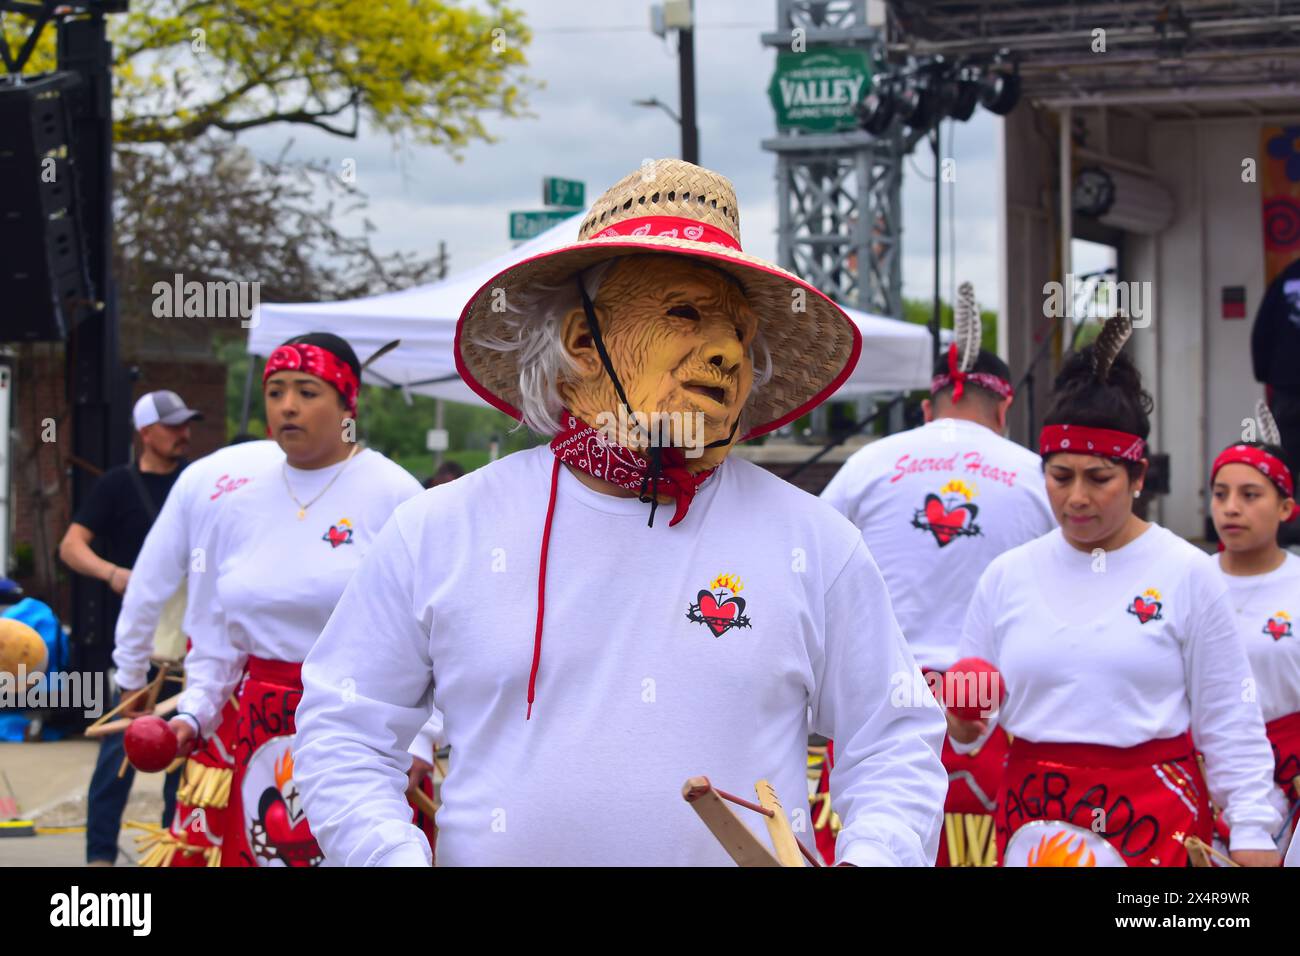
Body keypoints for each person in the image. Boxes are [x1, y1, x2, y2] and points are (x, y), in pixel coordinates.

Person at [292, 158, 948, 867]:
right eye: (685, 313)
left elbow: (895, 742)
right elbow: (345, 731)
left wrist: (873, 859)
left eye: (740, 331)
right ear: (583, 341)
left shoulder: (816, 543)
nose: (729, 353)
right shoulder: (439, 530)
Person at [950, 316, 1282, 867]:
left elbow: (1229, 715)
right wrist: (963, 720)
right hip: (1035, 823)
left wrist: (1251, 831)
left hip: (1156, 821)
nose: (1077, 497)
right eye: (1060, 476)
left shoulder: (1186, 572)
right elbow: (971, 728)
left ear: (1138, 476)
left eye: (1099, 478)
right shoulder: (1006, 576)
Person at [168, 333, 423, 867]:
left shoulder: (396, 495)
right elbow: (214, 635)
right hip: (253, 728)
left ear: (348, 404)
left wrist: (424, 741)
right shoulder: (236, 501)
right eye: (275, 391)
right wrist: (192, 713)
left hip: (360, 732)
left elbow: (438, 635)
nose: (287, 405)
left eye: (307, 392)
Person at [820, 282, 1053, 865]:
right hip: (996, 714)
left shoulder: (867, 464)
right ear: (1004, 411)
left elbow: (811, 574)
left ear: (928, 408)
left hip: (881, 712)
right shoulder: (1039, 478)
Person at [114, 436, 283, 865]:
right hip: (273, 684)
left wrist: (132, 679)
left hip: (220, 675)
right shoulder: (341, 472)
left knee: (219, 819)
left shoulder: (199, 476)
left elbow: (146, 586)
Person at [60, 389, 201, 865]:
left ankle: (173, 852)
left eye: (187, 424)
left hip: (191, 648)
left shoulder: (196, 482)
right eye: (173, 425)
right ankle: (99, 857)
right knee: (118, 755)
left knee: (182, 759)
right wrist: (113, 574)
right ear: (145, 432)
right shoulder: (117, 485)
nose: (184, 433)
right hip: (139, 648)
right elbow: (70, 546)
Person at [1209, 401, 1300, 855]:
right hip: (1204, 780)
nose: (1231, 508)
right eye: (1220, 494)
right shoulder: (1188, 580)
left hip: (1290, 779)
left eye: (1250, 495)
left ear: (1286, 507)